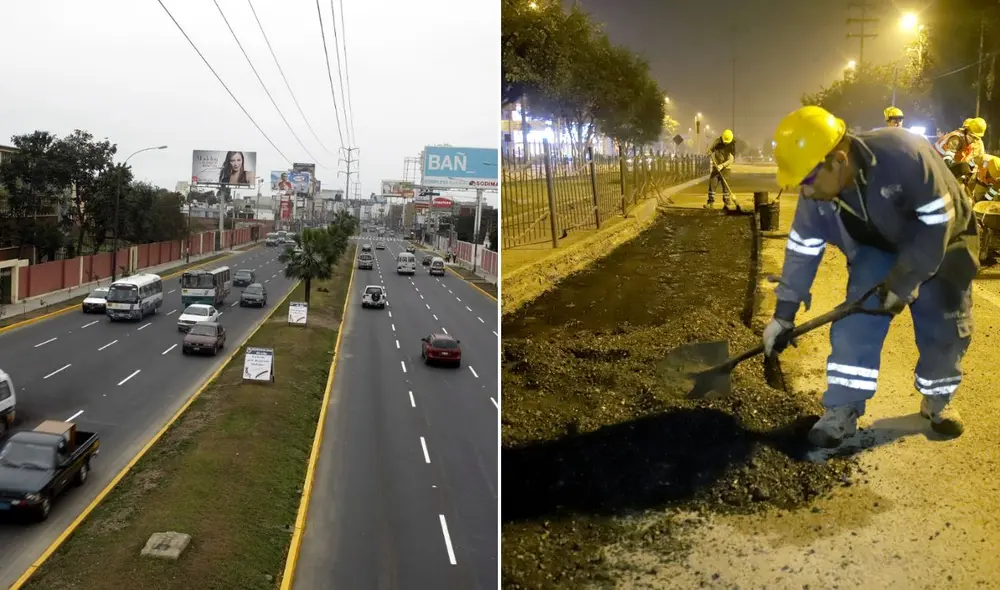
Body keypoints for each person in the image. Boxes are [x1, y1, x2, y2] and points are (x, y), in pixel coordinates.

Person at [764, 105, 979, 449]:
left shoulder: (905, 155)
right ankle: (843, 408)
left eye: (806, 180)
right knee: (855, 325)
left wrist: (903, 284)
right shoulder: (817, 193)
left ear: (837, 160)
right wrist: (783, 314)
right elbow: (803, 249)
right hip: (877, 247)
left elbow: (936, 225)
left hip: (945, 238)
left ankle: (938, 399)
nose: (804, 192)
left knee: (945, 325)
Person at [705, 129, 736, 209]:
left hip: (726, 169)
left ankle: (727, 204)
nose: (726, 143)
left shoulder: (731, 145)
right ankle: (710, 202)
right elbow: (710, 149)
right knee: (712, 184)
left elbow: (731, 160)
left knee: (725, 187)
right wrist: (709, 152)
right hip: (716, 167)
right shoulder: (717, 141)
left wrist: (722, 165)